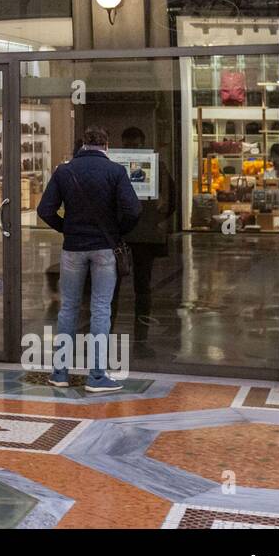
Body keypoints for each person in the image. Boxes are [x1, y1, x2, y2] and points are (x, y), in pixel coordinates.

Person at [36, 126, 141, 393]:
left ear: (83, 145)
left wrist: (65, 227)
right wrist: (117, 231)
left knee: (69, 307)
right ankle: (96, 376)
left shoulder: (64, 171)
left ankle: (60, 373)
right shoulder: (116, 172)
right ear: (106, 146)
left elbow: (45, 209)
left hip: (72, 248)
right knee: (101, 309)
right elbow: (133, 209)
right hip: (105, 249)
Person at [112, 127, 175, 349]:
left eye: (135, 145)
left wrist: (158, 219)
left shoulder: (120, 166)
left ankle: (137, 333)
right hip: (135, 231)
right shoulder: (154, 166)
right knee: (130, 284)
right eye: (130, 145)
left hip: (137, 231)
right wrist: (159, 219)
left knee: (135, 284)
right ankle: (138, 335)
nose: (133, 149)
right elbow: (170, 199)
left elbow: (170, 198)